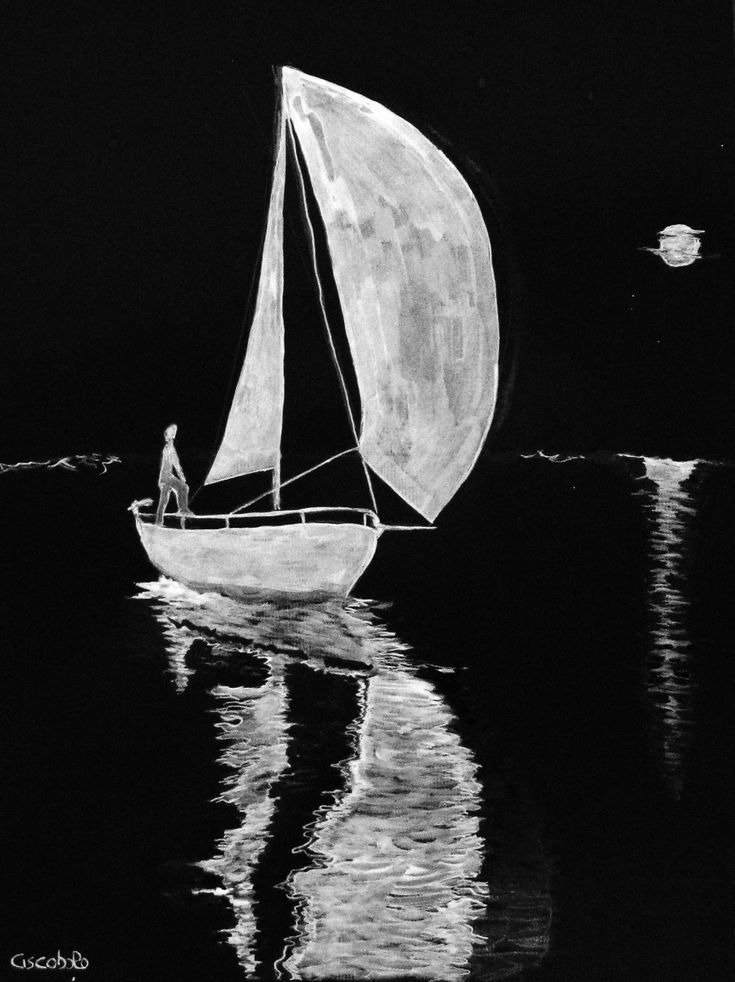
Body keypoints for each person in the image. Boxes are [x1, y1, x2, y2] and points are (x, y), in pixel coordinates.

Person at [156, 424, 192, 523]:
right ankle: (159, 522)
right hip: (165, 478)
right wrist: (181, 476)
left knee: (183, 487)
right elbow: (174, 460)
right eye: (171, 433)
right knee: (163, 501)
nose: (173, 435)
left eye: (174, 433)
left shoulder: (171, 448)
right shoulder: (168, 448)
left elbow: (176, 463)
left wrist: (181, 476)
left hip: (169, 477)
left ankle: (183, 509)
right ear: (167, 436)